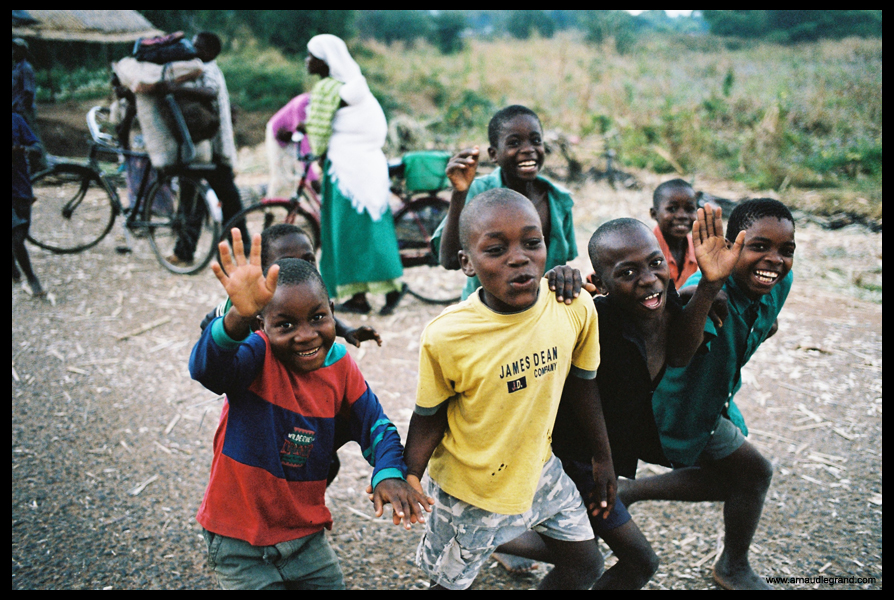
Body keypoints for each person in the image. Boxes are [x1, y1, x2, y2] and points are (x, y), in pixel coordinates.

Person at [494, 206, 743, 589]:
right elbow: (572, 372)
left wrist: (709, 287)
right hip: (573, 458)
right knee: (635, 562)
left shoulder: (668, 301)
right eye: (627, 273)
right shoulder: (595, 320)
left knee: (579, 556)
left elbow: (679, 354)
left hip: (595, 458)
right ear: (601, 282)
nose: (648, 279)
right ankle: (487, 533)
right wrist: (555, 280)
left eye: (655, 263)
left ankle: (490, 534)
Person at [189, 229, 432, 589]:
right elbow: (208, 370)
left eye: (318, 318)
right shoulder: (257, 354)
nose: (306, 335)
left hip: (305, 538)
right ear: (261, 325)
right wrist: (235, 319)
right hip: (239, 539)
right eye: (285, 324)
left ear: (332, 311)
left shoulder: (341, 365)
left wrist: (388, 472)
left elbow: (376, 426)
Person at [404, 188, 613, 590]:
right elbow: (429, 416)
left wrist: (602, 457)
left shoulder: (573, 306)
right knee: (448, 585)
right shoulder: (449, 335)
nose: (519, 258)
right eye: (496, 250)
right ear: (466, 262)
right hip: (469, 490)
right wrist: (409, 476)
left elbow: (584, 386)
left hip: (540, 472)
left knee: (586, 566)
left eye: (532, 244)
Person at [619, 198, 796, 590]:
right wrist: (706, 290)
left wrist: (764, 326)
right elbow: (681, 348)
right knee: (753, 473)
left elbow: (768, 321)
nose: (774, 260)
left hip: (712, 399)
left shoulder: (777, 283)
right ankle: (732, 567)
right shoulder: (709, 295)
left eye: (786, 250)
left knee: (739, 478)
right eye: (759, 246)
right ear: (732, 246)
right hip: (675, 407)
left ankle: (628, 490)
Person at [304, 34, 406, 316]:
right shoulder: (355, 86)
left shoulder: (328, 89)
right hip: (368, 169)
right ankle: (360, 298)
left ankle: (392, 289)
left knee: (346, 234)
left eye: (311, 55)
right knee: (367, 233)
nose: (307, 61)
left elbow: (319, 130)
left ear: (324, 61)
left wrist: (315, 149)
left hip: (346, 173)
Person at [434, 105, 579, 302]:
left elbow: (560, 264)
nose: (528, 149)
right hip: (488, 312)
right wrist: (460, 193)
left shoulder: (559, 200)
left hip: (542, 312)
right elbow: (450, 259)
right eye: (514, 143)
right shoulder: (477, 192)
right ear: (493, 154)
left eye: (536, 141)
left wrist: (566, 277)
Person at [168, 31, 247, 266]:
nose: (193, 51)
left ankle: (245, 256)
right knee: (198, 203)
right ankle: (184, 252)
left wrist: (176, 89)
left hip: (214, 152)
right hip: (204, 151)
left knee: (228, 206)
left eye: (198, 47)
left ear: (211, 52)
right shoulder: (200, 70)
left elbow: (210, 92)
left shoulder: (208, 70)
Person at [12, 112, 45, 297]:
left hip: (20, 187)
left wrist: (23, 149)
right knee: (16, 237)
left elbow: (37, 146)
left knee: (20, 233)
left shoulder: (16, 120)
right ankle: (31, 277)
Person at [265, 93, 319, 199]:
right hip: (277, 135)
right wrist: (313, 178)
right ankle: (270, 208)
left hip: (291, 139)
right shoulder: (303, 103)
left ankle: (297, 205)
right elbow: (301, 138)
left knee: (298, 175)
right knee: (279, 177)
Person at [650, 178, 700, 290]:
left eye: (689, 209)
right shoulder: (642, 250)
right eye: (672, 209)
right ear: (654, 214)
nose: (682, 215)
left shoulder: (699, 247)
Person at [12, 38, 47, 171]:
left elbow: (28, 91)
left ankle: (42, 167)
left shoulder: (26, 68)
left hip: (24, 111)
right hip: (18, 111)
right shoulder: (17, 68)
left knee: (33, 139)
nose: (13, 52)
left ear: (23, 51)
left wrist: (23, 109)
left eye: (16, 49)